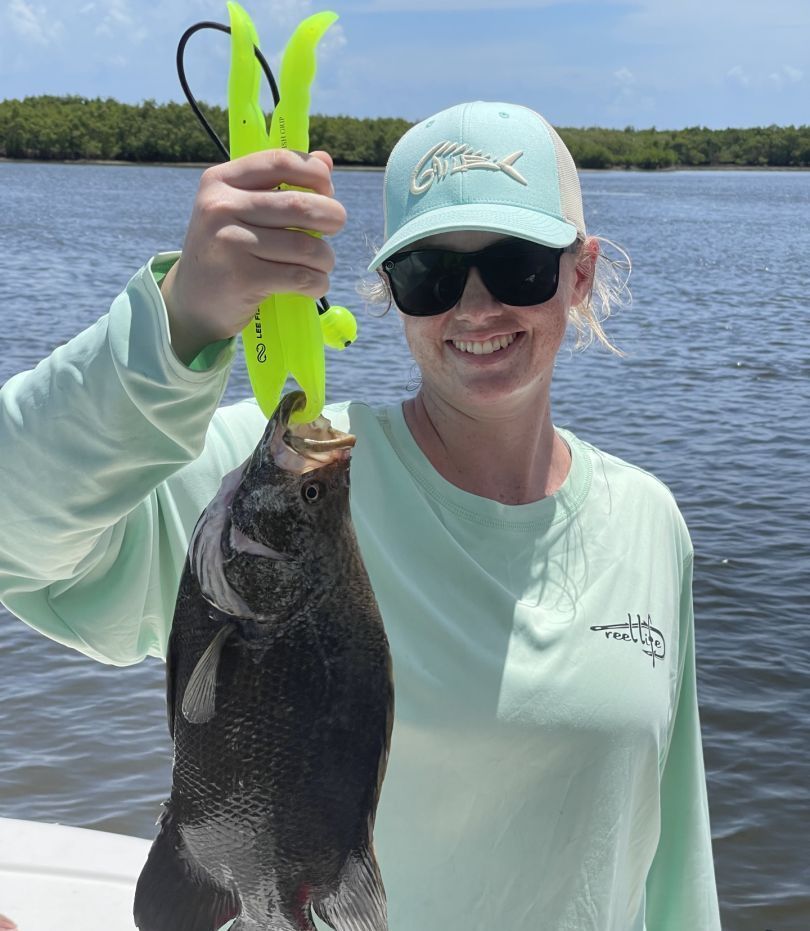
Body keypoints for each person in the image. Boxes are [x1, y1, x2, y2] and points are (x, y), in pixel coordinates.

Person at [0, 101, 721, 930]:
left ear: (581, 273)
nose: (475, 306)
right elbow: (17, 535)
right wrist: (181, 320)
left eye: (519, 265)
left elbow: (672, 850)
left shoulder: (648, 520)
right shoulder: (275, 484)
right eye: (430, 275)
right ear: (389, 293)